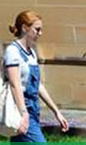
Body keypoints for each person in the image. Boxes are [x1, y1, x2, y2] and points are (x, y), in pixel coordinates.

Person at [4, 10, 70, 142]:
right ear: (24, 28)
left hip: (33, 109)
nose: (40, 34)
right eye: (37, 30)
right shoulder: (13, 51)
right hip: (22, 109)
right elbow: (14, 84)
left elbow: (38, 85)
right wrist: (24, 114)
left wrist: (56, 112)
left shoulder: (32, 53)